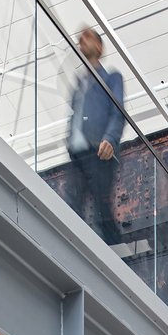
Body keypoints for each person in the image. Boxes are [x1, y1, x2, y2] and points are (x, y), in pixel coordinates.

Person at [65, 27, 125, 245]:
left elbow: (118, 112)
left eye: (88, 37)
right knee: (72, 204)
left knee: (101, 207)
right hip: (77, 154)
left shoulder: (111, 79)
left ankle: (115, 248)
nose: (82, 40)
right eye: (80, 38)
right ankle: (76, 246)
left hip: (99, 151)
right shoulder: (78, 85)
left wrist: (110, 138)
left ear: (99, 47)